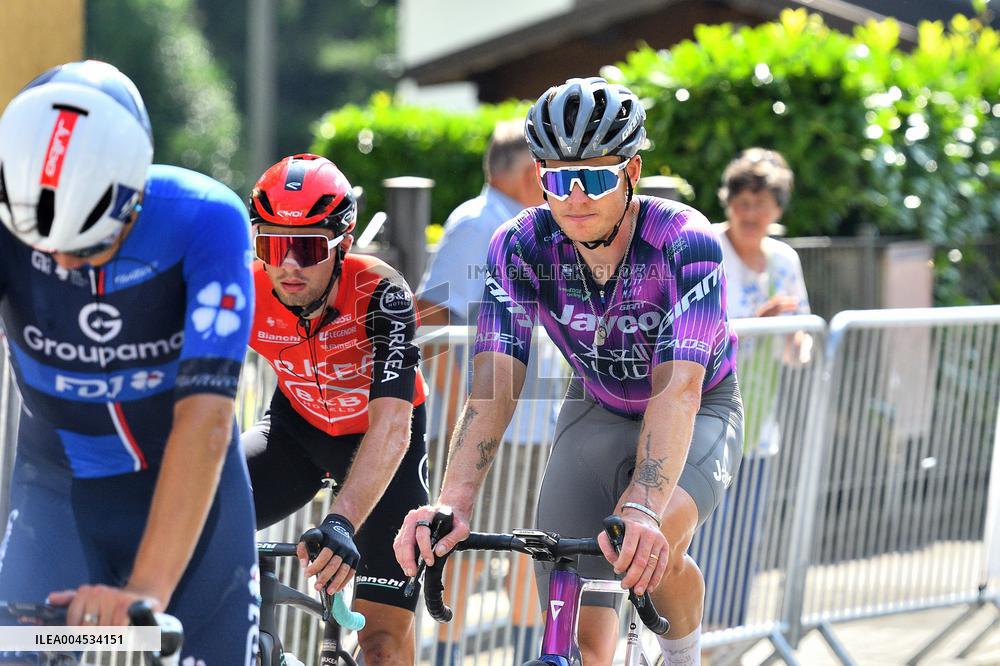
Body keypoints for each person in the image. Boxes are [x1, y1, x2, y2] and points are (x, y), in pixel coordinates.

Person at [396, 77, 744, 665]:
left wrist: (642, 502)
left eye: (597, 177)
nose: (576, 197)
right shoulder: (519, 246)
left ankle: (684, 655)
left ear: (632, 173)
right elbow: (494, 384)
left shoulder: (684, 241)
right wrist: (453, 500)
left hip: (699, 405)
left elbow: (679, 386)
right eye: (558, 179)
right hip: (597, 405)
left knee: (652, 555)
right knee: (576, 615)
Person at [0, 61, 258, 664]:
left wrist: (146, 591)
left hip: (194, 500)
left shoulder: (206, 220)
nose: (63, 264)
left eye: (87, 243)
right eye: (40, 246)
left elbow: (206, 417)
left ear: (133, 194)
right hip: (58, 494)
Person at [243, 153, 428, 664]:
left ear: (343, 243)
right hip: (294, 433)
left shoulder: (381, 291)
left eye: (306, 247)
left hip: (382, 446)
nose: (289, 265)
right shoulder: (246, 288)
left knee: (382, 644)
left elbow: (393, 425)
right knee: (208, 502)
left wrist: (343, 519)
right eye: (272, 245)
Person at [416, 119, 552, 664]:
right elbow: (432, 318)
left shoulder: (514, 223)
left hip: (523, 425)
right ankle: (449, 658)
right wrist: (459, 421)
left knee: (522, 548)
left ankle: (519, 655)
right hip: (490, 430)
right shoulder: (477, 224)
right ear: (527, 173)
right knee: (464, 552)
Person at [695, 147, 810, 628]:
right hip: (702, 420)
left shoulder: (785, 259)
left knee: (744, 538)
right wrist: (753, 324)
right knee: (701, 535)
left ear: (777, 209)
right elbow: (694, 327)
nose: (751, 214)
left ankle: (731, 638)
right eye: (742, 202)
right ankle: (688, 641)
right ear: (728, 203)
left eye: (761, 205)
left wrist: (794, 337)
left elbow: (802, 340)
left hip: (759, 423)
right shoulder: (706, 248)